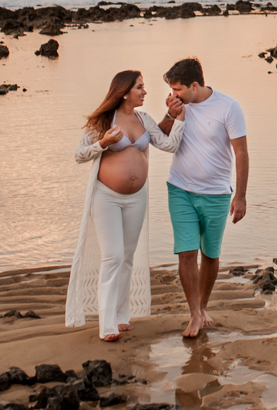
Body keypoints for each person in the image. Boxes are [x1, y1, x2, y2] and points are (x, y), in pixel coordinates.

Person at [64, 70, 186, 341]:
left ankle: (121, 316)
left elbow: (168, 145)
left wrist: (178, 118)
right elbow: (79, 155)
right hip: (106, 197)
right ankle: (106, 325)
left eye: (143, 87)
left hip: (136, 198)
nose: (145, 92)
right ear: (124, 91)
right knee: (113, 257)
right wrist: (103, 143)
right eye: (140, 87)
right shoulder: (103, 120)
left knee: (128, 257)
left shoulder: (144, 120)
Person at [160, 57, 249, 338]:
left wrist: (242, 196)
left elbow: (241, 153)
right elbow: (161, 137)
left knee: (210, 253)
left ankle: (204, 305)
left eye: (178, 90)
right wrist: (172, 113)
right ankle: (195, 314)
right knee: (186, 252)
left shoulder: (228, 107)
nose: (173, 95)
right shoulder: (179, 107)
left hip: (216, 193)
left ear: (194, 85)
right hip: (180, 189)